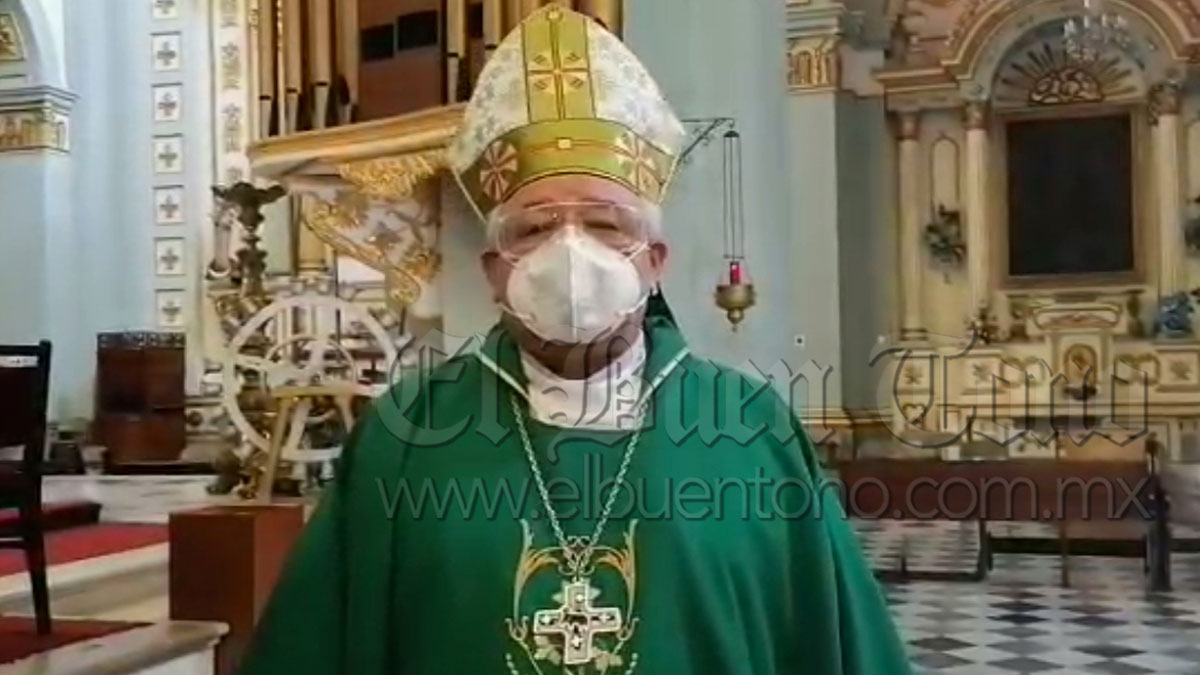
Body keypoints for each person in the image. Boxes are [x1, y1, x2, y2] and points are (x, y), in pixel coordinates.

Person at [239, 6, 911, 674]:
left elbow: (834, 645)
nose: (570, 252)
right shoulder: (405, 436)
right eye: (534, 229)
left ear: (655, 262)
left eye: (605, 224)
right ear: (494, 270)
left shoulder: (752, 433)